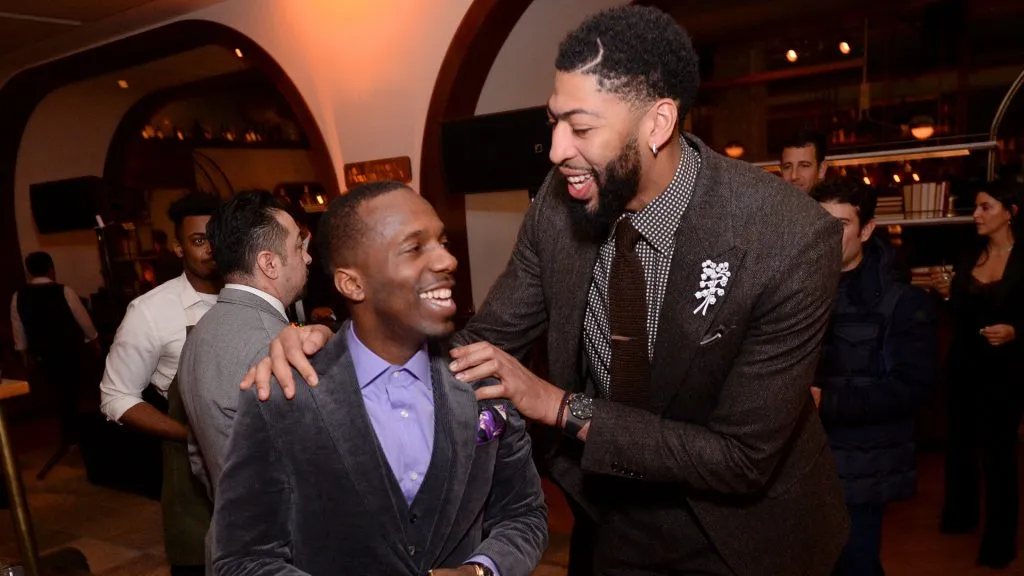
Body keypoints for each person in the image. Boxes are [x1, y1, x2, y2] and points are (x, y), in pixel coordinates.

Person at [248, 6, 849, 576]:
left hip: (743, 536)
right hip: (611, 512)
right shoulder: (560, 205)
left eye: (580, 127)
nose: (558, 150)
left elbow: (742, 460)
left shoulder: (788, 240)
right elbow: (483, 343)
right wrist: (343, 345)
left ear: (658, 124)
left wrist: (560, 405)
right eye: (554, 123)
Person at [213, 181, 547, 576]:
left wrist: (481, 570)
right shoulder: (284, 393)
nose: (447, 261)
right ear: (352, 283)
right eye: (414, 248)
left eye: (442, 242)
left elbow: (524, 515)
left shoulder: (482, 381)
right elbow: (243, 560)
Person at [810, 177, 937, 576]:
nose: (829, 233)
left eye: (842, 223)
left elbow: (913, 388)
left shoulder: (901, 301)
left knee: (855, 563)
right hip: (804, 462)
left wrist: (827, 402)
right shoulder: (797, 289)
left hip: (863, 464)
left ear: (866, 230)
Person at [98, 191, 222, 576]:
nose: (211, 249)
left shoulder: (258, 296)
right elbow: (116, 397)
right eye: (198, 240)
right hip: (194, 467)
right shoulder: (151, 311)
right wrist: (189, 433)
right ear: (178, 246)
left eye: (218, 237)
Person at [179, 189, 310, 497]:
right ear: (270, 264)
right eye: (298, 246)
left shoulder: (200, 331)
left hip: (230, 528)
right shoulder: (275, 346)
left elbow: (198, 457)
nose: (307, 256)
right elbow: (309, 471)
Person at [933, 179, 1024, 569]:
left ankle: (1000, 540)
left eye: (985, 207)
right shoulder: (971, 254)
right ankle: (961, 517)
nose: (976, 215)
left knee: (999, 454)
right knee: (960, 446)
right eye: (975, 207)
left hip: (1005, 373)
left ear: (1010, 212)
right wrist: (949, 295)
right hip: (964, 365)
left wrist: (1017, 331)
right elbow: (963, 314)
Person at [11, 251, 100, 448]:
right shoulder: (64, 291)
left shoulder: (19, 296)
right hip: (69, 350)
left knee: (59, 393)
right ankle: (77, 433)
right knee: (75, 392)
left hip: (43, 354)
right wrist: (93, 340)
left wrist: (24, 353)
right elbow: (83, 319)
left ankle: (67, 432)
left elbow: (18, 327)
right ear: (51, 268)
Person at [781, 128, 829, 193]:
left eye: (804, 166)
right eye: (787, 167)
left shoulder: (837, 202)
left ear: (821, 169)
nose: (793, 176)